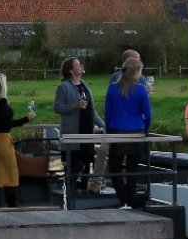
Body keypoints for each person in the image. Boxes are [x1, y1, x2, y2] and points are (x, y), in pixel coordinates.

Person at [102, 59, 153, 208]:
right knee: (132, 169)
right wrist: (145, 130)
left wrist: (110, 130)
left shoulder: (112, 89)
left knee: (114, 167)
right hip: (136, 131)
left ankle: (123, 200)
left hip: (117, 131)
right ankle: (129, 201)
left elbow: (107, 113)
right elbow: (148, 115)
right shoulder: (142, 90)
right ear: (136, 72)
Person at [51, 57, 101, 199]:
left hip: (87, 135)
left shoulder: (85, 85)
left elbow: (92, 111)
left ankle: (84, 197)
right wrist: (74, 106)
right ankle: (70, 198)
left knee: (86, 167)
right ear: (71, 70)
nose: (82, 66)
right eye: (78, 65)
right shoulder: (63, 87)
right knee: (72, 170)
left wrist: (104, 125)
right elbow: (57, 107)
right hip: (72, 136)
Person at [0, 72, 33, 208]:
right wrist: (26, 119)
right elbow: (6, 124)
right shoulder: (3, 102)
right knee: (11, 174)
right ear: (2, 85)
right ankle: (12, 206)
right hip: (3, 141)